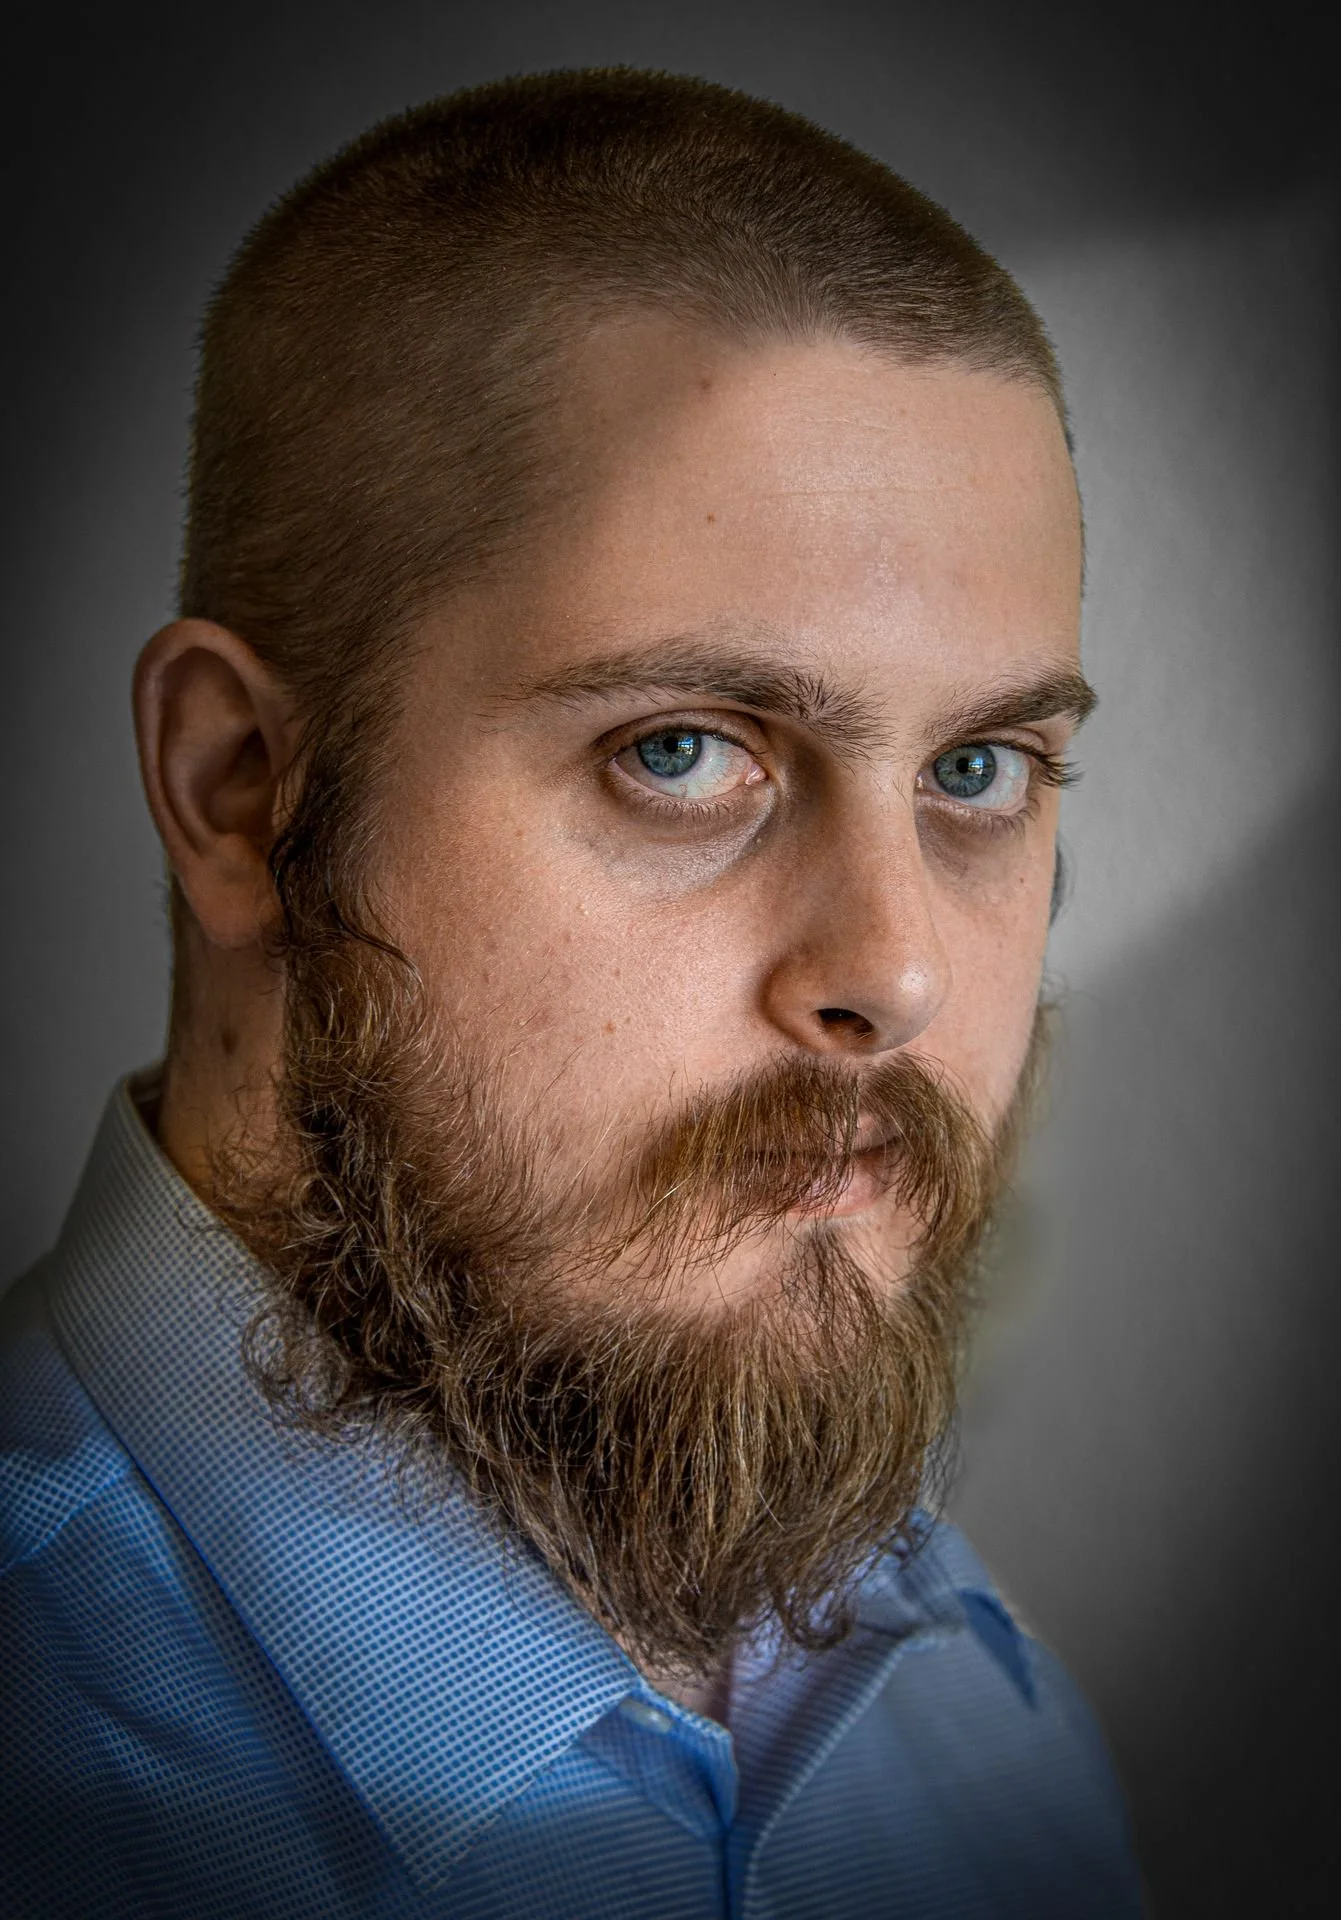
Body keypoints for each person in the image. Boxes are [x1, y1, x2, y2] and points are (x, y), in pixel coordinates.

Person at [0, 68, 1144, 1919]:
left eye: (978, 771)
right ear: (239, 792)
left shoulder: (983, 1715)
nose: (899, 973)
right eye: (683, 752)